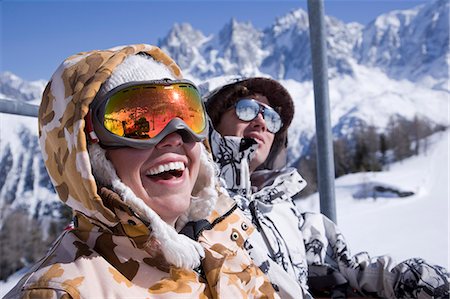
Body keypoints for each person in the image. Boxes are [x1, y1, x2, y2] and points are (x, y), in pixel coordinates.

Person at [5, 46, 279, 299]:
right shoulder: (62, 291)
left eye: (187, 116)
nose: (174, 137)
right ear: (90, 155)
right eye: (138, 123)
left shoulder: (226, 249)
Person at [204, 77, 450, 298]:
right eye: (247, 109)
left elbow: (349, 267)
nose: (261, 122)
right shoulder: (195, 204)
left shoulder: (286, 212)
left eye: (271, 118)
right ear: (212, 123)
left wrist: (411, 279)